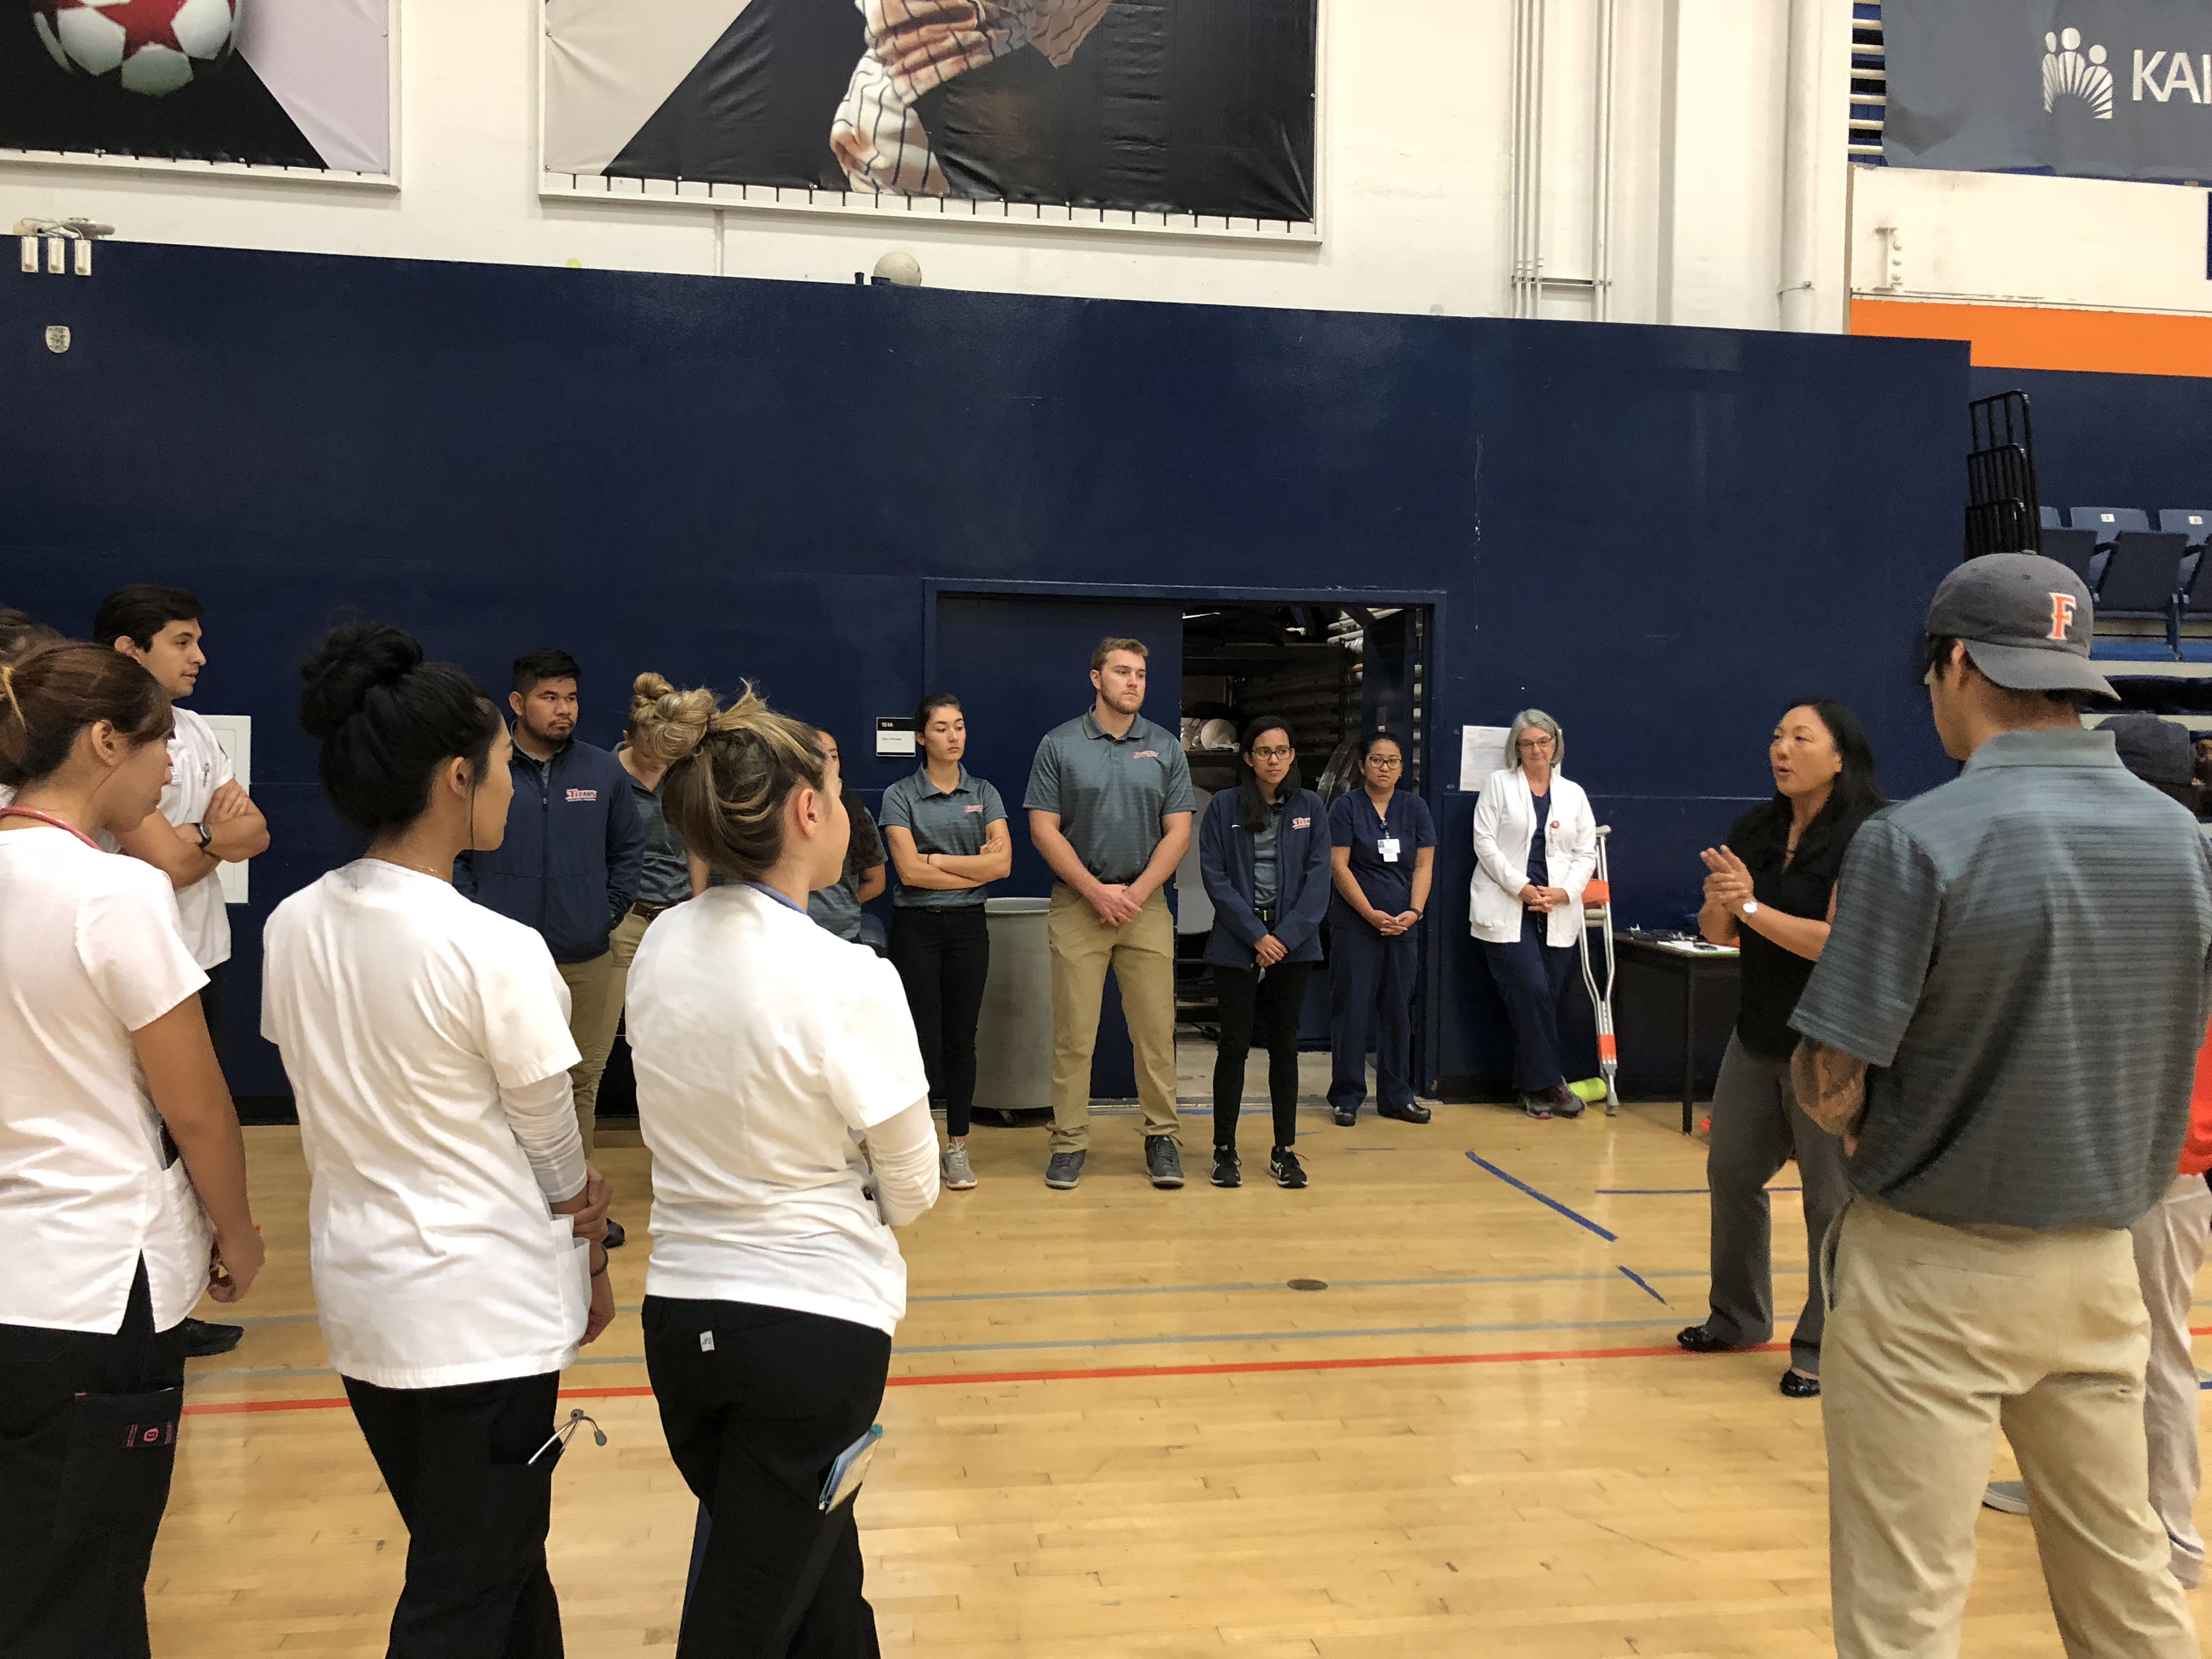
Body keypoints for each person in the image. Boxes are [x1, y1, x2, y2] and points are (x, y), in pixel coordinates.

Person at [1791, 552, 2212, 1658]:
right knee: (2128, 1598)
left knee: (1906, 1608)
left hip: (1933, 1270)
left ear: (1959, 663)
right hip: (2103, 1266)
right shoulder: (2184, 843)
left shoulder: (1916, 840)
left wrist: (1844, 1096)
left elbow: (1832, 1079)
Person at [262, 624, 615, 1659]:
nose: (511, 782)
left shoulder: (291, 924)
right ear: (458, 776)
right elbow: (554, 1146)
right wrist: (587, 1236)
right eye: (504, 764)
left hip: (368, 1304)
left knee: (495, 1562)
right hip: (479, 1315)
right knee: (462, 1590)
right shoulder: (490, 947)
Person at [623, 680, 940, 1657]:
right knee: (744, 1618)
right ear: (808, 810)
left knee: (819, 1592)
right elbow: (916, 1186)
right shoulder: (848, 972)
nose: (846, 814)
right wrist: (849, 1170)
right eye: (840, 793)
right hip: (810, 1342)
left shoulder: (658, 945)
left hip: (681, 1327)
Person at [0, 640, 263, 1657]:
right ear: (105, 740)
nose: (171, 768)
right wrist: (235, 1231)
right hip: (92, 1286)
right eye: (159, 745)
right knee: (88, 1580)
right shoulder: (113, 893)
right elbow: (196, 1104)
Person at [1980, 712, 2212, 1588]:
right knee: (2066, 1339)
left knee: (2153, 1350)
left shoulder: (2180, 872)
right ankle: (2072, 1490)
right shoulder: (2128, 867)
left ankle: (2174, 1539)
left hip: (2162, 1159)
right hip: (2095, 1149)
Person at [1674, 699, 1883, 1400]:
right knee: (1731, 1175)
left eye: (1801, 738)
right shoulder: (1756, 828)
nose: (1782, 749)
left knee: (1830, 1202)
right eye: (1776, 736)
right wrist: (1723, 901)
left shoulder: (1869, 834)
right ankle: (1736, 1318)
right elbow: (1721, 933)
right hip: (1757, 1034)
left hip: (1830, 1045)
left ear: (1839, 756)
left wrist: (1754, 907)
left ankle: (1823, 1349)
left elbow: (1836, 945)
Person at [93, 585, 271, 1359]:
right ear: (130, 650)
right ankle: (133, 1302)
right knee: (146, 1134)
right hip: (130, 972)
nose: (199, 656)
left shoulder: (197, 732)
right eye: (181, 641)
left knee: (189, 1133)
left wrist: (200, 841)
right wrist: (210, 834)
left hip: (199, 963)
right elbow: (164, 861)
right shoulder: (102, 740)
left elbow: (256, 833)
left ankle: (188, 1288)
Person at [456, 647, 644, 1242]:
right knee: (500, 1084)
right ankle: (506, 1213)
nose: (564, 710)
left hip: (585, 956)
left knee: (579, 1081)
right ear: (517, 703)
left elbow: (628, 853)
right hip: (500, 963)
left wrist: (604, 913)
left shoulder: (603, 771)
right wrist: (477, 916)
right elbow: (454, 850)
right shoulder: (483, 769)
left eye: (571, 698)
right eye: (549, 697)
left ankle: (574, 1211)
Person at [1025, 637, 1195, 1190]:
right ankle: (1069, 1142)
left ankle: (1162, 1138)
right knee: (1074, 1035)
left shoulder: (1166, 748)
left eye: (1141, 674)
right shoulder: (1059, 744)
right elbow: (1043, 828)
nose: (1133, 683)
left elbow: (1179, 831)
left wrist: (1137, 892)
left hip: (1145, 908)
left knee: (1155, 1031)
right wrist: (1096, 891)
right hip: (1079, 906)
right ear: (1095, 678)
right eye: (1122, 672)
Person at [881, 691, 1012, 1192]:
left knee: (961, 1040)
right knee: (917, 1040)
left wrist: (937, 862)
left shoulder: (985, 791)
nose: (953, 736)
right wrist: (965, 869)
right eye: (941, 728)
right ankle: (910, 1147)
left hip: (967, 929)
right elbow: (909, 873)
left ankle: (957, 1147)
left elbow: (1002, 866)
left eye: (959, 726)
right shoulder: (900, 795)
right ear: (921, 736)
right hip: (916, 928)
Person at [1198, 716, 1332, 1190]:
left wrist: (1285, 938)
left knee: (1285, 1046)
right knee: (1233, 1046)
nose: (1273, 760)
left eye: (1282, 751)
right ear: (1248, 758)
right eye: (1263, 751)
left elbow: (1319, 884)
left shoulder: (1311, 807)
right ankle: (1224, 1150)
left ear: (1293, 756)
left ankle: (1284, 1151)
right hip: (1239, 940)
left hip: (1293, 945)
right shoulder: (1223, 807)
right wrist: (1257, 935)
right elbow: (1214, 877)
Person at [1468, 710, 1596, 1120]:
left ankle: (1531, 1088)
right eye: (1528, 744)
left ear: (1556, 745)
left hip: (1556, 909)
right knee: (1533, 993)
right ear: (1516, 749)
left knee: (1540, 1002)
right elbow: (1484, 843)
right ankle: (1552, 1082)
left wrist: (1562, 893)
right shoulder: (1498, 786)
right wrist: (1520, 887)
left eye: (1544, 742)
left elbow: (1585, 852)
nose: (1536, 750)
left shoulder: (1574, 794)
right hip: (1507, 906)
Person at [1326, 730, 1436, 1127]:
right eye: (1376, 760)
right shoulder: (1346, 808)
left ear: (1403, 768)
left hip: (1403, 928)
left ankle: (1397, 1096)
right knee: (1352, 1010)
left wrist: (1415, 911)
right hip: (1357, 926)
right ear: (1362, 766)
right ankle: (1347, 1096)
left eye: (1392, 761)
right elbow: (1339, 866)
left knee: (1397, 1012)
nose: (1384, 767)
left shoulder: (1415, 808)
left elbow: (1424, 865)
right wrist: (1370, 913)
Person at [611, 673, 698, 1035]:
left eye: (666, 756)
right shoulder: (604, 776)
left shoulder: (685, 775)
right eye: (648, 755)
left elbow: (697, 846)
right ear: (628, 739)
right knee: (605, 1036)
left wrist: (699, 905)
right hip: (624, 917)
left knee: (676, 1030)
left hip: (677, 914)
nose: (658, 764)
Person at [806, 730, 888, 949]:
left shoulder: (857, 814)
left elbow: (877, 881)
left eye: (833, 756)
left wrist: (844, 907)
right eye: (818, 754)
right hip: (794, 938)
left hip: (844, 936)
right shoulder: (780, 813)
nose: (827, 763)